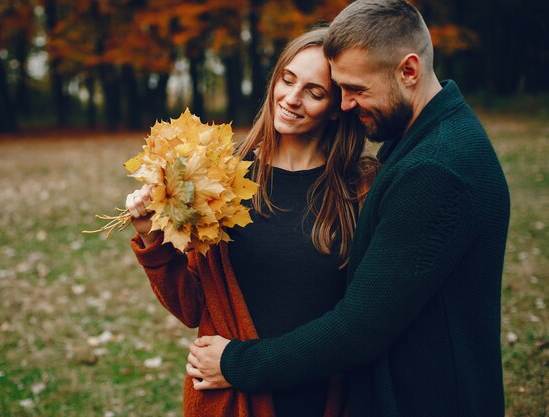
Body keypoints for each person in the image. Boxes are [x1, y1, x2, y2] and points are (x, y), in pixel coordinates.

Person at [186, 1, 511, 416]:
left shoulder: (434, 169)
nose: (345, 105)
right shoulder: (428, 138)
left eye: (355, 90)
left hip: (428, 399)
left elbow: (360, 329)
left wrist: (236, 363)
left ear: (408, 71)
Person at [126, 28, 377, 417]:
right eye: (288, 79)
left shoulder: (359, 187)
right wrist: (150, 238)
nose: (291, 99)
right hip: (231, 399)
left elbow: (365, 318)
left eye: (314, 92)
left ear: (335, 105)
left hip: (323, 396)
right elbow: (193, 306)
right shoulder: (220, 178)